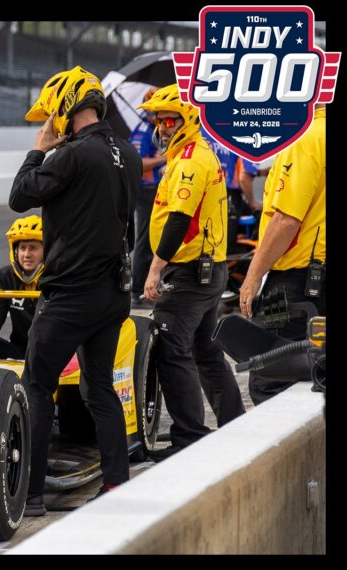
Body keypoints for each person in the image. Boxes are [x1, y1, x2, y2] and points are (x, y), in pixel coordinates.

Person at [9, 66, 140, 514]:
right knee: (99, 387)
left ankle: (29, 496)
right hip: (113, 292)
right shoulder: (128, 152)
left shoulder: (71, 155)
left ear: (65, 108)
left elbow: (19, 196)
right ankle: (117, 483)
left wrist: (38, 149)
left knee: (36, 386)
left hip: (70, 295)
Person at [139, 85, 246, 461]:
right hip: (205, 271)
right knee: (206, 350)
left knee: (173, 349)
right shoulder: (194, 154)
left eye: (169, 120)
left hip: (191, 273)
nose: (162, 127)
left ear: (186, 120)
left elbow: (178, 222)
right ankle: (235, 425)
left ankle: (188, 436)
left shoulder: (189, 160)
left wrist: (155, 270)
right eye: (158, 120)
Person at [239, 105, 326, 404]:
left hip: (295, 283)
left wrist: (252, 277)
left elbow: (287, 220)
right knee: (318, 376)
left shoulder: (306, 139)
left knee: (271, 378)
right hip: (311, 278)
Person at [0, 215, 45, 360]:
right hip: (21, 351)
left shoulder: (57, 277)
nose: (27, 254)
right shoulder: (5, 276)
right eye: (22, 248)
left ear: (46, 250)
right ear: (15, 251)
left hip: (56, 353)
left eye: (33, 248)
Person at [128, 88, 167, 306]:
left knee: (157, 239)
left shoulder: (155, 128)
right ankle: (136, 290)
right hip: (145, 190)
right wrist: (166, 158)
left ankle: (149, 288)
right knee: (145, 240)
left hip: (156, 189)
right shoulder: (143, 130)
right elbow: (138, 163)